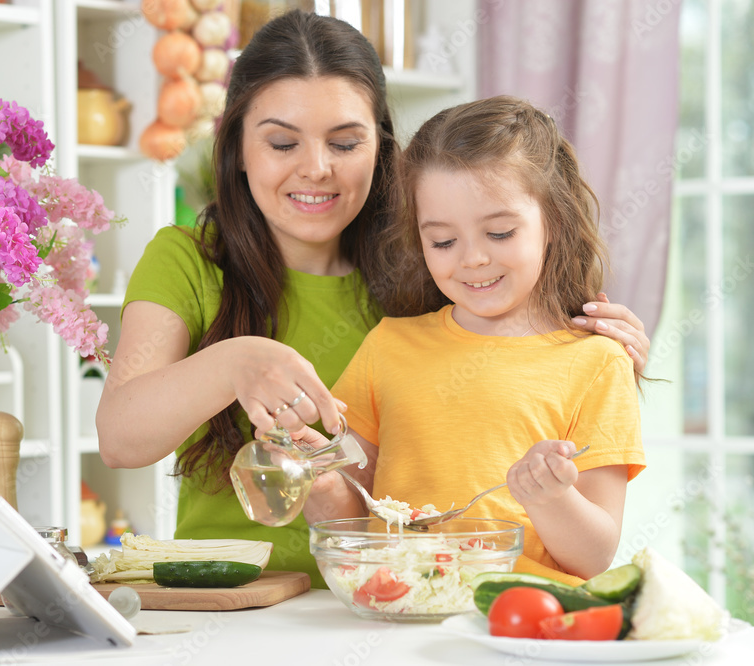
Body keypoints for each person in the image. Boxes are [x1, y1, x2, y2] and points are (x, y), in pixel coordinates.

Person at [96, 11, 650, 588]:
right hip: (240, 594)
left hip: (386, 599)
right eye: (283, 142)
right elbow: (120, 437)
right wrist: (236, 361)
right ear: (236, 147)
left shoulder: (420, 270)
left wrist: (600, 352)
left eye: (345, 142)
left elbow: (502, 370)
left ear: (381, 150)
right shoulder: (190, 260)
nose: (316, 168)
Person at [305, 95, 647, 585]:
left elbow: (593, 558)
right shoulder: (388, 346)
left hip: (519, 625)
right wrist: (313, 478)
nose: (472, 259)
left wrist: (550, 497)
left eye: (500, 233)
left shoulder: (597, 362)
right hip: (398, 613)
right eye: (443, 241)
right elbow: (352, 517)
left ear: (554, 220)